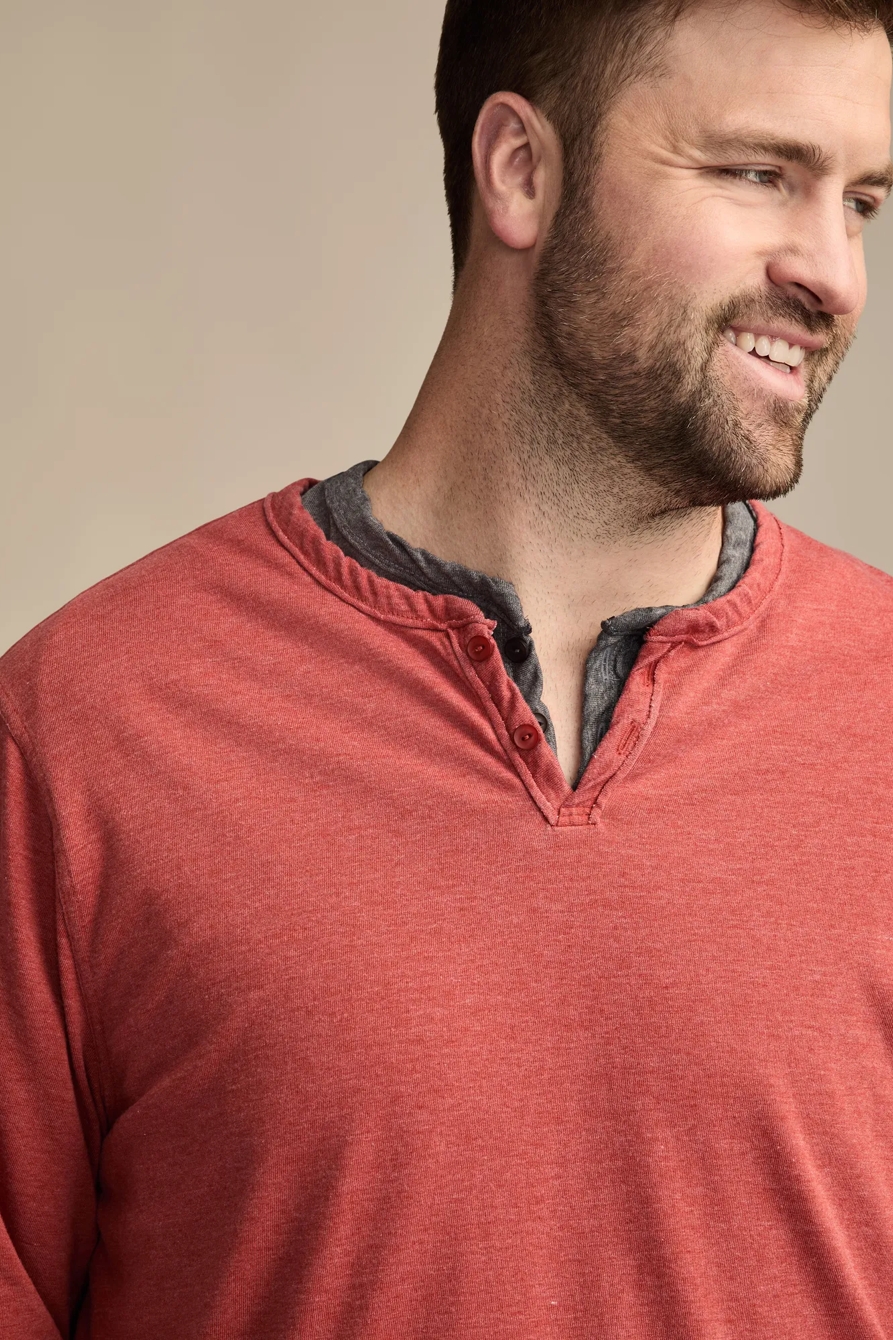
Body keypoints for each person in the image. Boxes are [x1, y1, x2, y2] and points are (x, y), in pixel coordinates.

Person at [1, 0, 892, 1334]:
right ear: (519, 171)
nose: (834, 274)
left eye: (862, 201)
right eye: (759, 173)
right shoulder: (84, 734)